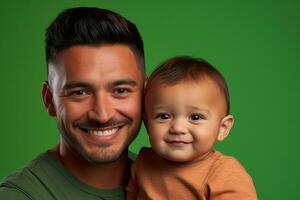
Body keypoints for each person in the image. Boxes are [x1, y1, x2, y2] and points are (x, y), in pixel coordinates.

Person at [0, 7, 145, 200]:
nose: (102, 115)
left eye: (120, 90)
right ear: (50, 99)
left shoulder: (170, 181)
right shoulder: (20, 195)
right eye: (80, 92)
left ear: (146, 93)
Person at [127, 56, 258, 200]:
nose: (177, 128)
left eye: (195, 117)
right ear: (147, 125)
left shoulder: (223, 172)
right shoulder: (144, 162)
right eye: (164, 116)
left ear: (223, 128)